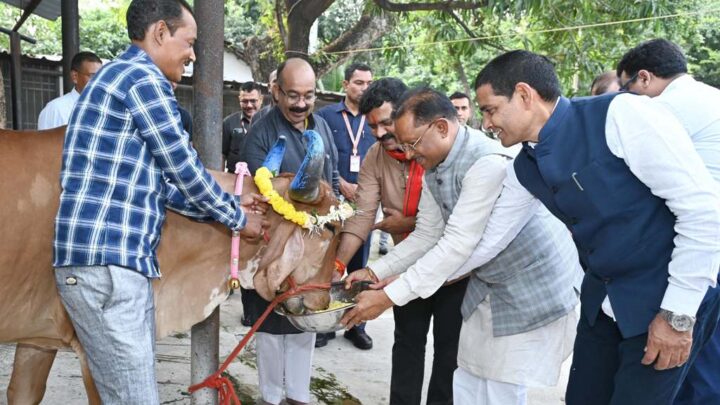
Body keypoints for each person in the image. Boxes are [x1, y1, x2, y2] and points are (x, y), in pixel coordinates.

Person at [474, 50, 720, 405]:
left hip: (665, 298)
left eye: (490, 109)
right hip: (601, 303)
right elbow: (487, 239)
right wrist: (399, 283)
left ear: (525, 95)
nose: (486, 123)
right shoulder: (523, 167)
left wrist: (677, 315)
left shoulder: (622, 114)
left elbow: (703, 212)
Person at [52, 1, 266, 403]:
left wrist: (225, 205)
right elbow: (183, 168)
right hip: (109, 265)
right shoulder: (142, 79)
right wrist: (236, 218)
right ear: (161, 33)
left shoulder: (117, 77)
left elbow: (164, 188)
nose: (192, 54)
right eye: (189, 42)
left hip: (103, 264)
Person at [342, 88, 581, 405]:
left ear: (441, 127)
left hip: (527, 289)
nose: (410, 155)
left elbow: (457, 244)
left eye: (412, 144)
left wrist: (388, 296)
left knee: (499, 386)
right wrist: (375, 270)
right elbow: (428, 232)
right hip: (487, 286)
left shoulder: (486, 162)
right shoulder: (434, 163)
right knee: (470, 379)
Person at [617, 38, 720, 405]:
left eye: (627, 88)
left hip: (703, 250)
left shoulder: (663, 109)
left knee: (689, 365)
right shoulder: (710, 96)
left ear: (643, 78)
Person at [240, 57, 340, 405]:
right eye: (293, 95)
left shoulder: (322, 126)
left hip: (312, 246)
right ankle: (271, 397)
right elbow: (259, 193)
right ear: (276, 91)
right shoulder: (262, 131)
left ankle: (299, 396)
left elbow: (334, 181)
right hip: (272, 244)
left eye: (308, 96)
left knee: (304, 322)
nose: (301, 104)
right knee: (269, 327)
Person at [315, 62, 375, 349]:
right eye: (359, 83)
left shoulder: (374, 119)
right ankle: (325, 324)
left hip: (365, 203)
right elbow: (319, 156)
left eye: (368, 83)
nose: (364, 88)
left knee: (359, 265)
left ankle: (356, 325)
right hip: (332, 201)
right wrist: (339, 183)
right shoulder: (325, 116)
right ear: (345, 85)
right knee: (329, 261)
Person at [38, 51, 102, 130]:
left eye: (101, 76)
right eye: (93, 76)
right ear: (75, 76)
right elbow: (45, 142)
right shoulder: (56, 109)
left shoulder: (104, 108)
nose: (99, 81)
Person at [223, 81, 264, 172]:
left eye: (253, 101)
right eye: (245, 101)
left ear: (261, 99)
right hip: (233, 178)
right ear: (239, 99)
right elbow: (222, 154)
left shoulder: (269, 123)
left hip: (260, 180)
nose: (249, 105)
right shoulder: (228, 122)